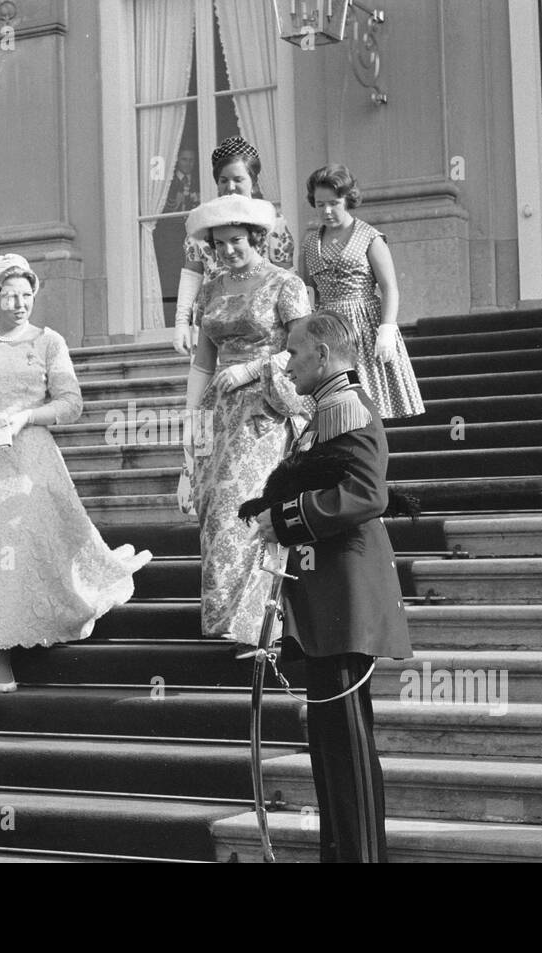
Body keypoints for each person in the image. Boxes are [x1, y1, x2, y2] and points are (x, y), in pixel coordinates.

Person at [0, 254, 151, 691]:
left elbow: (71, 403)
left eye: (27, 295)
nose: (19, 304)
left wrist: (27, 417)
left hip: (30, 459)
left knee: (27, 550)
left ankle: (22, 634)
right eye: (10, 295)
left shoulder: (49, 341)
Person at [253, 311, 412, 864]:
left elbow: (369, 494)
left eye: (295, 352)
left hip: (347, 594)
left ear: (323, 355)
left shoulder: (345, 406)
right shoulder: (325, 407)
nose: (287, 361)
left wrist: (286, 519)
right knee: (329, 747)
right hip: (327, 595)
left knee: (346, 748)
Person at [177, 194, 310, 644]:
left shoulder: (285, 284)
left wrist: (253, 369)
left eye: (236, 241)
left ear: (256, 237)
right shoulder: (212, 288)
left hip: (267, 407)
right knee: (214, 512)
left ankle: (258, 628)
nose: (228, 251)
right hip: (221, 409)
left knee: (245, 510)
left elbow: (304, 349)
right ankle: (228, 625)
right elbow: (201, 364)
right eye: (219, 245)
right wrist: (190, 428)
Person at [300, 164, 423, 420]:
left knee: (366, 400)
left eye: (334, 203)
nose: (327, 211)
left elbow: (389, 287)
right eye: (320, 204)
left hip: (364, 326)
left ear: (348, 199)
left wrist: (387, 329)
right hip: (327, 328)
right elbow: (307, 289)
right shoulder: (310, 242)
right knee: (331, 402)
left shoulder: (370, 237)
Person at [172, 136, 296, 355]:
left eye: (238, 179)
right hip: (215, 323)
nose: (230, 187)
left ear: (253, 181)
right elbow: (192, 273)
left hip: (261, 329)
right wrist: (182, 321)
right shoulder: (204, 223)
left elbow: (287, 278)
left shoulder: (273, 223)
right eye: (223, 180)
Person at [164, 148, 200, 213]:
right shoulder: (167, 181)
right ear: (177, 159)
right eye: (184, 159)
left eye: (191, 160)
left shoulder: (200, 181)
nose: (188, 163)